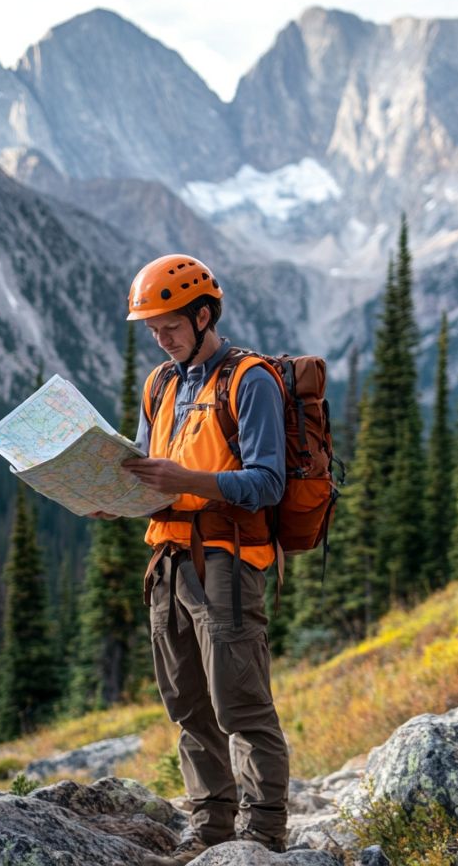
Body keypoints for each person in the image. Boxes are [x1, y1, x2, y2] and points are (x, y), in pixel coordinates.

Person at [99, 252, 291, 863]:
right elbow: (149, 475)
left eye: (171, 328)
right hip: (166, 562)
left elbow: (267, 483)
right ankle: (208, 829)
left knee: (239, 702)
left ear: (205, 315)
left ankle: (262, 834)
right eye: (153, 330)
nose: (160, 340)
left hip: (227, 561)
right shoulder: (159, 384)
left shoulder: (250, 380)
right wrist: (110, 499)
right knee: (185, 701)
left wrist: (190, 479)